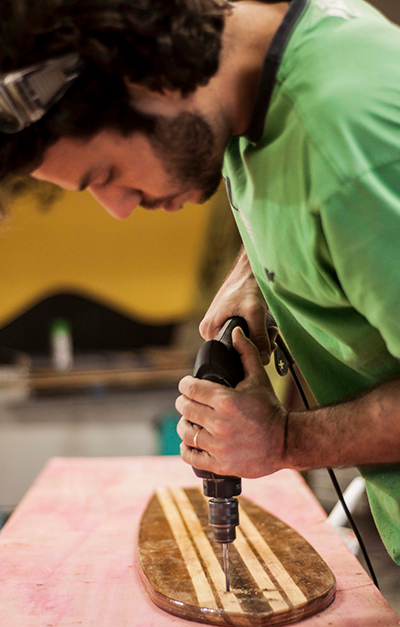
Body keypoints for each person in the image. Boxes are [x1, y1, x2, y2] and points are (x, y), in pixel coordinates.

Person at [1, 0, 400, 564]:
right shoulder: (251, 85)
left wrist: (286, 441)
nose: (119, 208)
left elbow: (342, 177)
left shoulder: (355, 143)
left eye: (106, 174)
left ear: (147, 78)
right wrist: (254, 271)